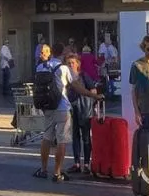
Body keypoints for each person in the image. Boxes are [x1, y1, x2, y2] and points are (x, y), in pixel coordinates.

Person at [34, 44, 101, 183]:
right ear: (62, 53)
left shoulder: (40, 67)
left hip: (47, 107)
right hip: (62, 107)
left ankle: (43, 169)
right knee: (62, 140)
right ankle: (57, 173)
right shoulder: (64, 69)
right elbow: (77, 87)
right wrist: (94, 95)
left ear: (51, 52)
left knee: (46, 138)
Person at [65, 53, 100, 174]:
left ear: (78, 64)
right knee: (75, 136)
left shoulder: (83, 75)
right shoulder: (66, 77)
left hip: (84, 109)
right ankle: (76, 163)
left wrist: (93, 103)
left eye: (73, 63)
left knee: (85, 137)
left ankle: (86, 163)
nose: (70, 65)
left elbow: (93, 89)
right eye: (68, 63)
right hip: (72, 109)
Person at [128, 35, 149, 128]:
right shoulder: (136, 65)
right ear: (143, 49)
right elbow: (133, 91)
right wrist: (136, 112)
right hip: (145, 109)